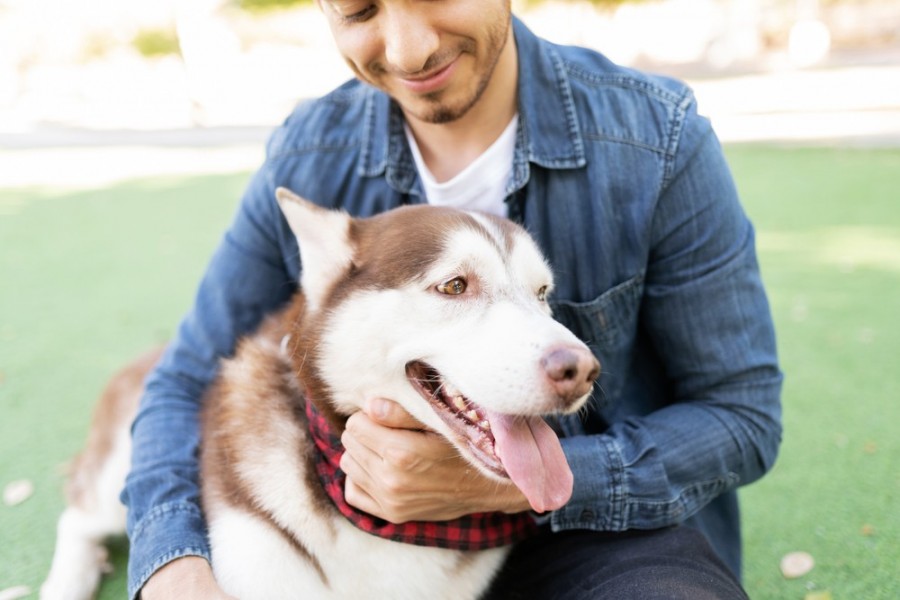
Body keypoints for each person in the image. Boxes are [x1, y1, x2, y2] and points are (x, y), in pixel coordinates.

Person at [124, 1, 783, 598]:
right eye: (360, 11)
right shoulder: (307, 153)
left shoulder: (655, 138)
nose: (408, 50)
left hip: (591, 532)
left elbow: (741, 416)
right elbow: (184, 381)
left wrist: (491, 486)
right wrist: (172, 564)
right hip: (364, 540)